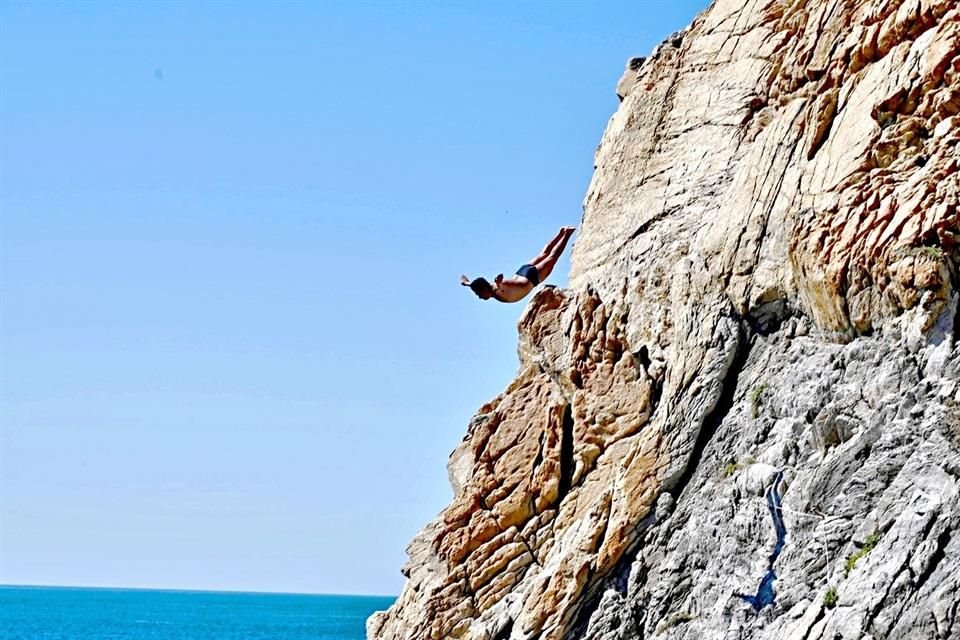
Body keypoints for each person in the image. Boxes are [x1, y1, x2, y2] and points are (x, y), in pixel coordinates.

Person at [461, 226, 575, 303]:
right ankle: (560, 233)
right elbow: (472, 283)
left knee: (552, 257)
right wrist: (466, 283)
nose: (480, 297)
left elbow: (500, 285)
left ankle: (567, 234)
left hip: (531, 278)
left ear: (485, 288)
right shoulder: (488, 287)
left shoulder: (497, 289)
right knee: (543, 253)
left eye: (479, 294)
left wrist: (499, 281)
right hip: (522, 272)